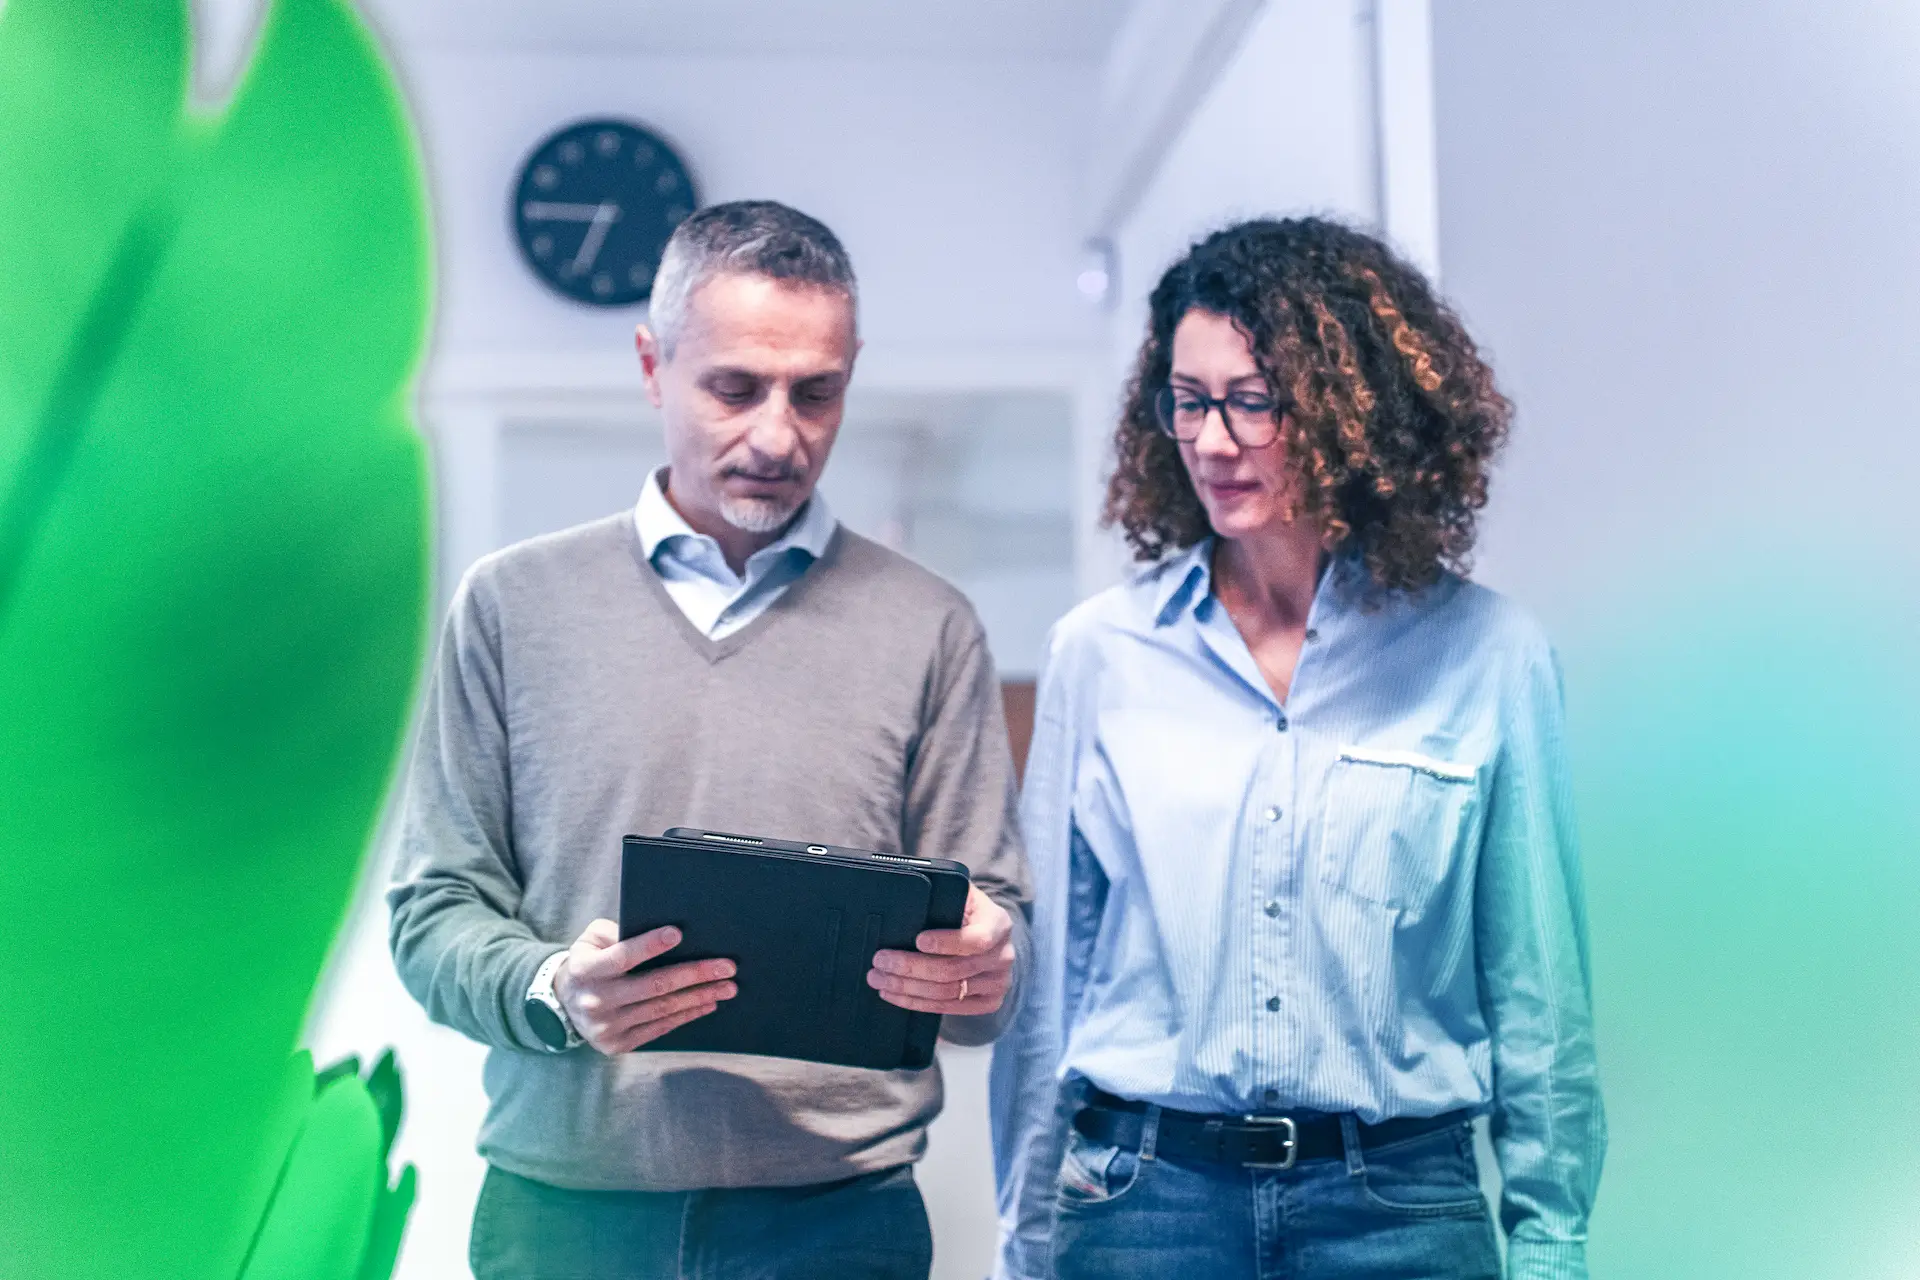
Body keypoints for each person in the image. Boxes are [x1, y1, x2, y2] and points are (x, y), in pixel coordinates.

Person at [389, 200, 1031, 1280]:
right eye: (734, 387)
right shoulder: (510, 605)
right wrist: (554, 987)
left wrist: (985, 963)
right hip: (566, 1220)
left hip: (842, 1222)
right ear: (653, 364)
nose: (778, 436)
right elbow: (434, 911)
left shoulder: (930, 624)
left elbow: (995, 940)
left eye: (816, 392)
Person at [990, 217, 1604, 1280]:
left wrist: (1553, 1241)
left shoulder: (1488, 653)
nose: (1213, 440)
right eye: (1187, 400)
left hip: (1401, 1209)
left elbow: (1538, 995)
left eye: (1254, 399)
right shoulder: (1101, 653)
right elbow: (1055, 987)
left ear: (1353, 408)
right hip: (1146, 1205)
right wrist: (1026, 1239)